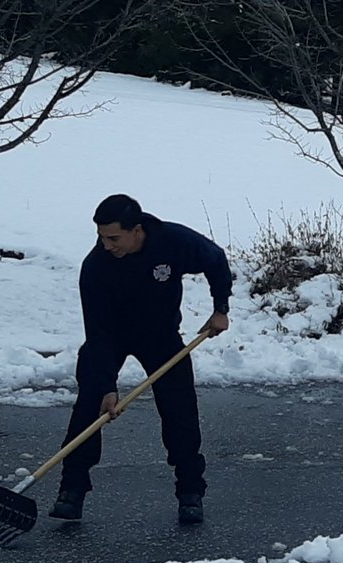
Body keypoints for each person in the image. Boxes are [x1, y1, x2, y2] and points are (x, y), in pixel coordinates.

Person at [51, 194, 232, 525]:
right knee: (89, 404)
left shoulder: (171, 241)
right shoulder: (95, 268)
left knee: (180, 410)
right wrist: (106, 385)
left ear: (136, 231)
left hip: (160, 336)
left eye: (114, 238)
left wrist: (221, 308)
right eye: (101, 237)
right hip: (110, 337)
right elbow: (98, 331)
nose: (106, 245)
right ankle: (72, 490)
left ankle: (190, 491)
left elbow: (215, 259)